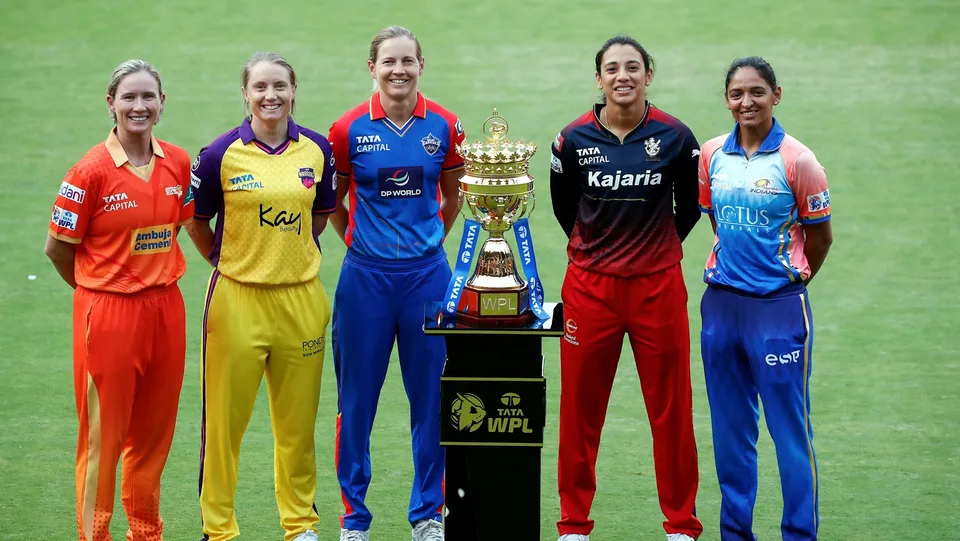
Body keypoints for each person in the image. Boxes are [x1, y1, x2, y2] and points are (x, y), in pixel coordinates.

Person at [549, 36, 704, 541]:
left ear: (648, 74)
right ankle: (574, 525)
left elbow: (688, 210)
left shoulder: (677, 137)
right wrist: (600, 252)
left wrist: (652, 249)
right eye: (612, 68)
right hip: (590, 289)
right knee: (580, 410)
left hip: (657, 287)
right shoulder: (571, 140)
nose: (623, 76)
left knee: (671, 407)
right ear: (599, 79)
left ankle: (680, 525)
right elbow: (565, 209)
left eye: (633, 67)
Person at [185, 52, 336, 541]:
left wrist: (287, 256)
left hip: (301, 301)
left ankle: (300, 525)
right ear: (245, 94)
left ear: (294, 91)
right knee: (223, 428)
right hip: (237, 302)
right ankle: (219, 530)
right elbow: (196, 222)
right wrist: (233, 260)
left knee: (298, 427)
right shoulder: (219, 155)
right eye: (261, 87)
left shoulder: (317, 149)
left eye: (280, 87)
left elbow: (319, 216)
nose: (271, 96)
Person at [44, 59, 192, 541]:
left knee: (153, 436)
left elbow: (178, 227)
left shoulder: (178, 162)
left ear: (162, 103)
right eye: (129, 97)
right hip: (108, 313)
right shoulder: (88, 172)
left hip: (166, 308)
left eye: (148, 96)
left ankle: (146, 533)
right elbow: (57, 248)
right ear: (111, 103)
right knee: (103, 440)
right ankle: (96, 535)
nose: (139, 106)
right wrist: (97, 289)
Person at [327, 24, 465, 541]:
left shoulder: (445, 125)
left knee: (432, 401)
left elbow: (452, 195)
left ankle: (428, 515)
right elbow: (335, 203)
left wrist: (428, 242)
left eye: (408, 60)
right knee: (355, 403)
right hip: (365, 281)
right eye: (389, 61)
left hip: (427, 281)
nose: (398, 70)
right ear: (372, 68)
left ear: (421, 65)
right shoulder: (347, 129)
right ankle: (354, 520)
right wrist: (363, 244)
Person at [697, 56, 833, 541]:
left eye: (757, 92)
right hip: (721, 307)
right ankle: (735, 534)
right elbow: (718, 224)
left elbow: (820, 239)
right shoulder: (711, 154)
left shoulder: (800, 161)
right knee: (730, 434)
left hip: (778, 310)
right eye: (737, 94)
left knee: (789, 432)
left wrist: (784, 282)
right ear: (727, 100)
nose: (747, 102)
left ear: (776, 95)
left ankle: (799, 534)